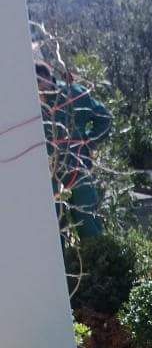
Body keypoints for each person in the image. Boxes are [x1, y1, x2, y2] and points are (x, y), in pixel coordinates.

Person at [35, 61, 112, 238]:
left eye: (39, 82)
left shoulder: (75, 94)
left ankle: (98, 253)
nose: (39, 89)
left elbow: (105, 118)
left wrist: (88, 142)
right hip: (48, 174)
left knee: (88, 220)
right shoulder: (31, 105)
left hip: (77, 167)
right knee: (53, 226)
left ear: (48, 77)